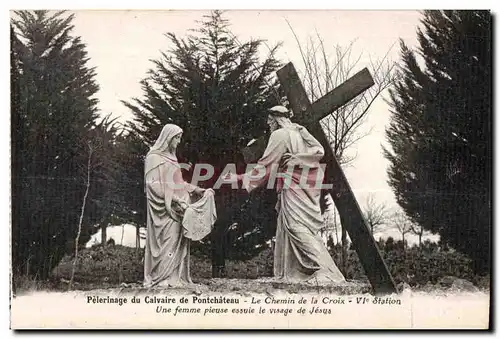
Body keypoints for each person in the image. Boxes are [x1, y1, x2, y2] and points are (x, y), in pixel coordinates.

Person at [230, 106, 346, 285]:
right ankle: (295, 272)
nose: (268, 124)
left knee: (294, 225)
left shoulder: (280, 135)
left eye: (270, 120)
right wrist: (298, 159)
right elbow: (318, 151)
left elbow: (266, 165)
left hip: (294, 186)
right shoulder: (300, 132)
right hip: (306, 186)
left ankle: (325, 270)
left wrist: (240, 177)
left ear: (276, 119)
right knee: (293, 226)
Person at [143, 124, 214, 288]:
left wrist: (197, 190)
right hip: (163, 209)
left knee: (176, 240)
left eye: (179, 138)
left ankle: (175, 277)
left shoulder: (172, 159)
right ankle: (160, 278)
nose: (179, 141)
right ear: (168, 137)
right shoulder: (153, 157)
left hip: (177, 209)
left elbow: (179, 183)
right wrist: (174, 199)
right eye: (177, 137)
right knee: (166, 241)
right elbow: (152, 185)